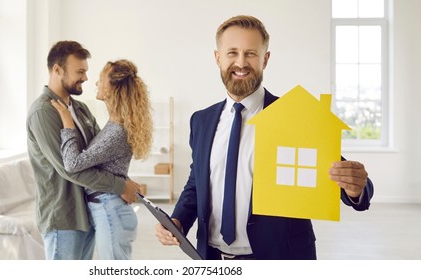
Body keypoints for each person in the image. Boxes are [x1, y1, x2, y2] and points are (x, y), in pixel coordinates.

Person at [155, 15, 374, 260]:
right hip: (212, 258)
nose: (240, 63)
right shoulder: (201, 120)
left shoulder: (294, 116)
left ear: (265, 59)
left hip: (281, 258)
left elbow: (336, 175)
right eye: (232, 53)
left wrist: (357, 188)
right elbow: (197, 184)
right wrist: (177, 221)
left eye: (250, 53)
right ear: (218, 58)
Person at [26, 41, 141, 260]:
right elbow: (69, 169)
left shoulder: (80, 108)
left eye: (86, 71)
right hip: (64, 216)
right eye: (80, 71)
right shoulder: (43, 112)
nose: (86, 78)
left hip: (87, 211)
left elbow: (97, 157)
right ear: (57, 70)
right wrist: (120, 185)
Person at [50, 59, 153, 259]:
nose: (96, 83)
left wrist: (67, 123)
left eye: (100, 79)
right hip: (109, 208)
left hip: (110, 209)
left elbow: (73, 164)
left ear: (113, 88)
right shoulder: (114, 125)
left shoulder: (117, 131)